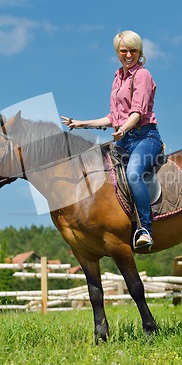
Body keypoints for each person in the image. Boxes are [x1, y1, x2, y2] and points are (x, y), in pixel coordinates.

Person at [61, 30, 162, 249]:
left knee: (134, 174)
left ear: (139, 52)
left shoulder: (142, 75)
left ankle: (145, 228)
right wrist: (80, 123)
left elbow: (137, 112)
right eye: (123, 51)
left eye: (133, 50)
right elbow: (113, 117)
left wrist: (123, 129)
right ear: (117, 53)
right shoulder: (118, 77)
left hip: (146, 137)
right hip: (124, 139)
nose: (128, 55)